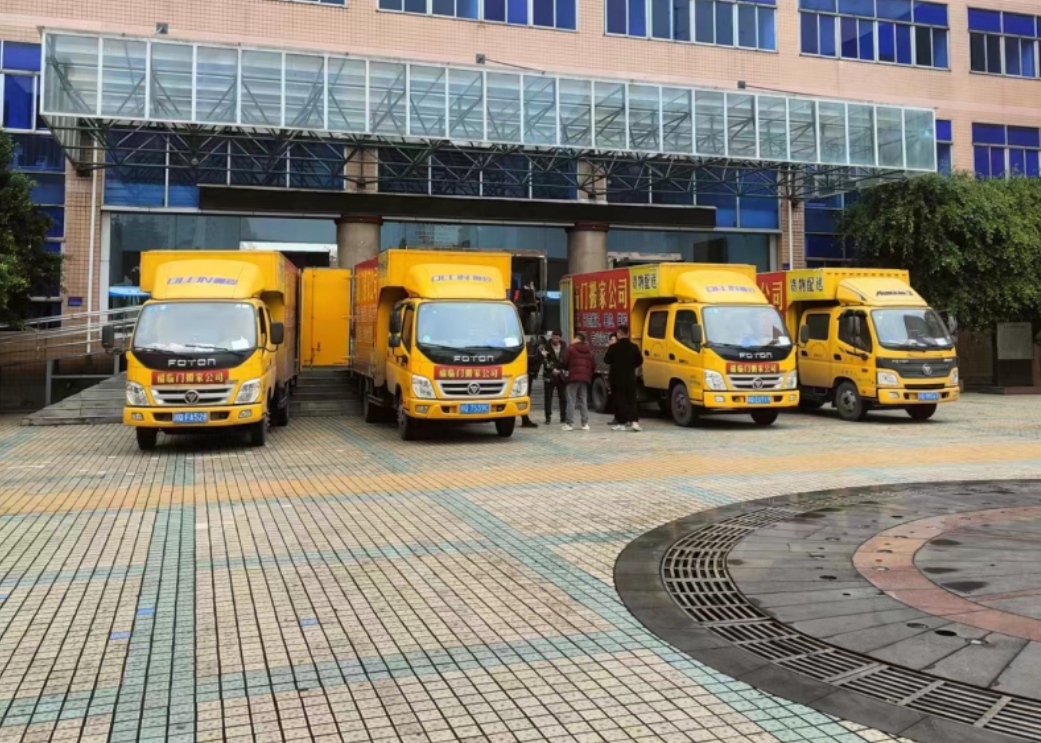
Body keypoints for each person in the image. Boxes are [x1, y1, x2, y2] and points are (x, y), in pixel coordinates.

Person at [604, 324, 642, 432]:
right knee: (632, 399)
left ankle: (622, 423)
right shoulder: (634, 347)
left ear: (618, 334)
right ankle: (634, 422)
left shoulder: (614, 347)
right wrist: (631, 366)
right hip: (630, 377)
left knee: (620, 400)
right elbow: (640, 360)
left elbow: (606, 360)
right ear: (628, 333)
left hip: (617, 378)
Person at [561, 331, 594, 431]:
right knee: (583, 400)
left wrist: (566, 369)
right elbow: (593, 365)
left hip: (573, 377)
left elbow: (565, 362)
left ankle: (569, 424)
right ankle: (585, 424)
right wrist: (587, 374)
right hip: (584, 379)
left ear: (576, 339)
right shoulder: (589, 350)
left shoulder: (571, 348)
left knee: (571, 400)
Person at [539, 330, 568, 424]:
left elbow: (566, 359)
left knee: (563, 396)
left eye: (557, 338)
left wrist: (562, 370)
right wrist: (552, 369)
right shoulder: (545, 346)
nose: (555, 339)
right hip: (549, 375)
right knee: (548, 397)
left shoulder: (564, 345)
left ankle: (563, 416)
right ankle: (548, 417)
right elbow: (544, 360)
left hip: (561, 374)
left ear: (560, 338)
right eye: (554, 337)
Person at [605, 333, 619, 425]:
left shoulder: (619, 349)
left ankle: (622, 418)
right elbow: (606, 360)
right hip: (614, 377)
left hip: (619, 377)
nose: (611, 341)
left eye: (613, 340)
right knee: (615, 398)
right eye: (610, 340)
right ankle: (617, 418)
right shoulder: (611, 349)